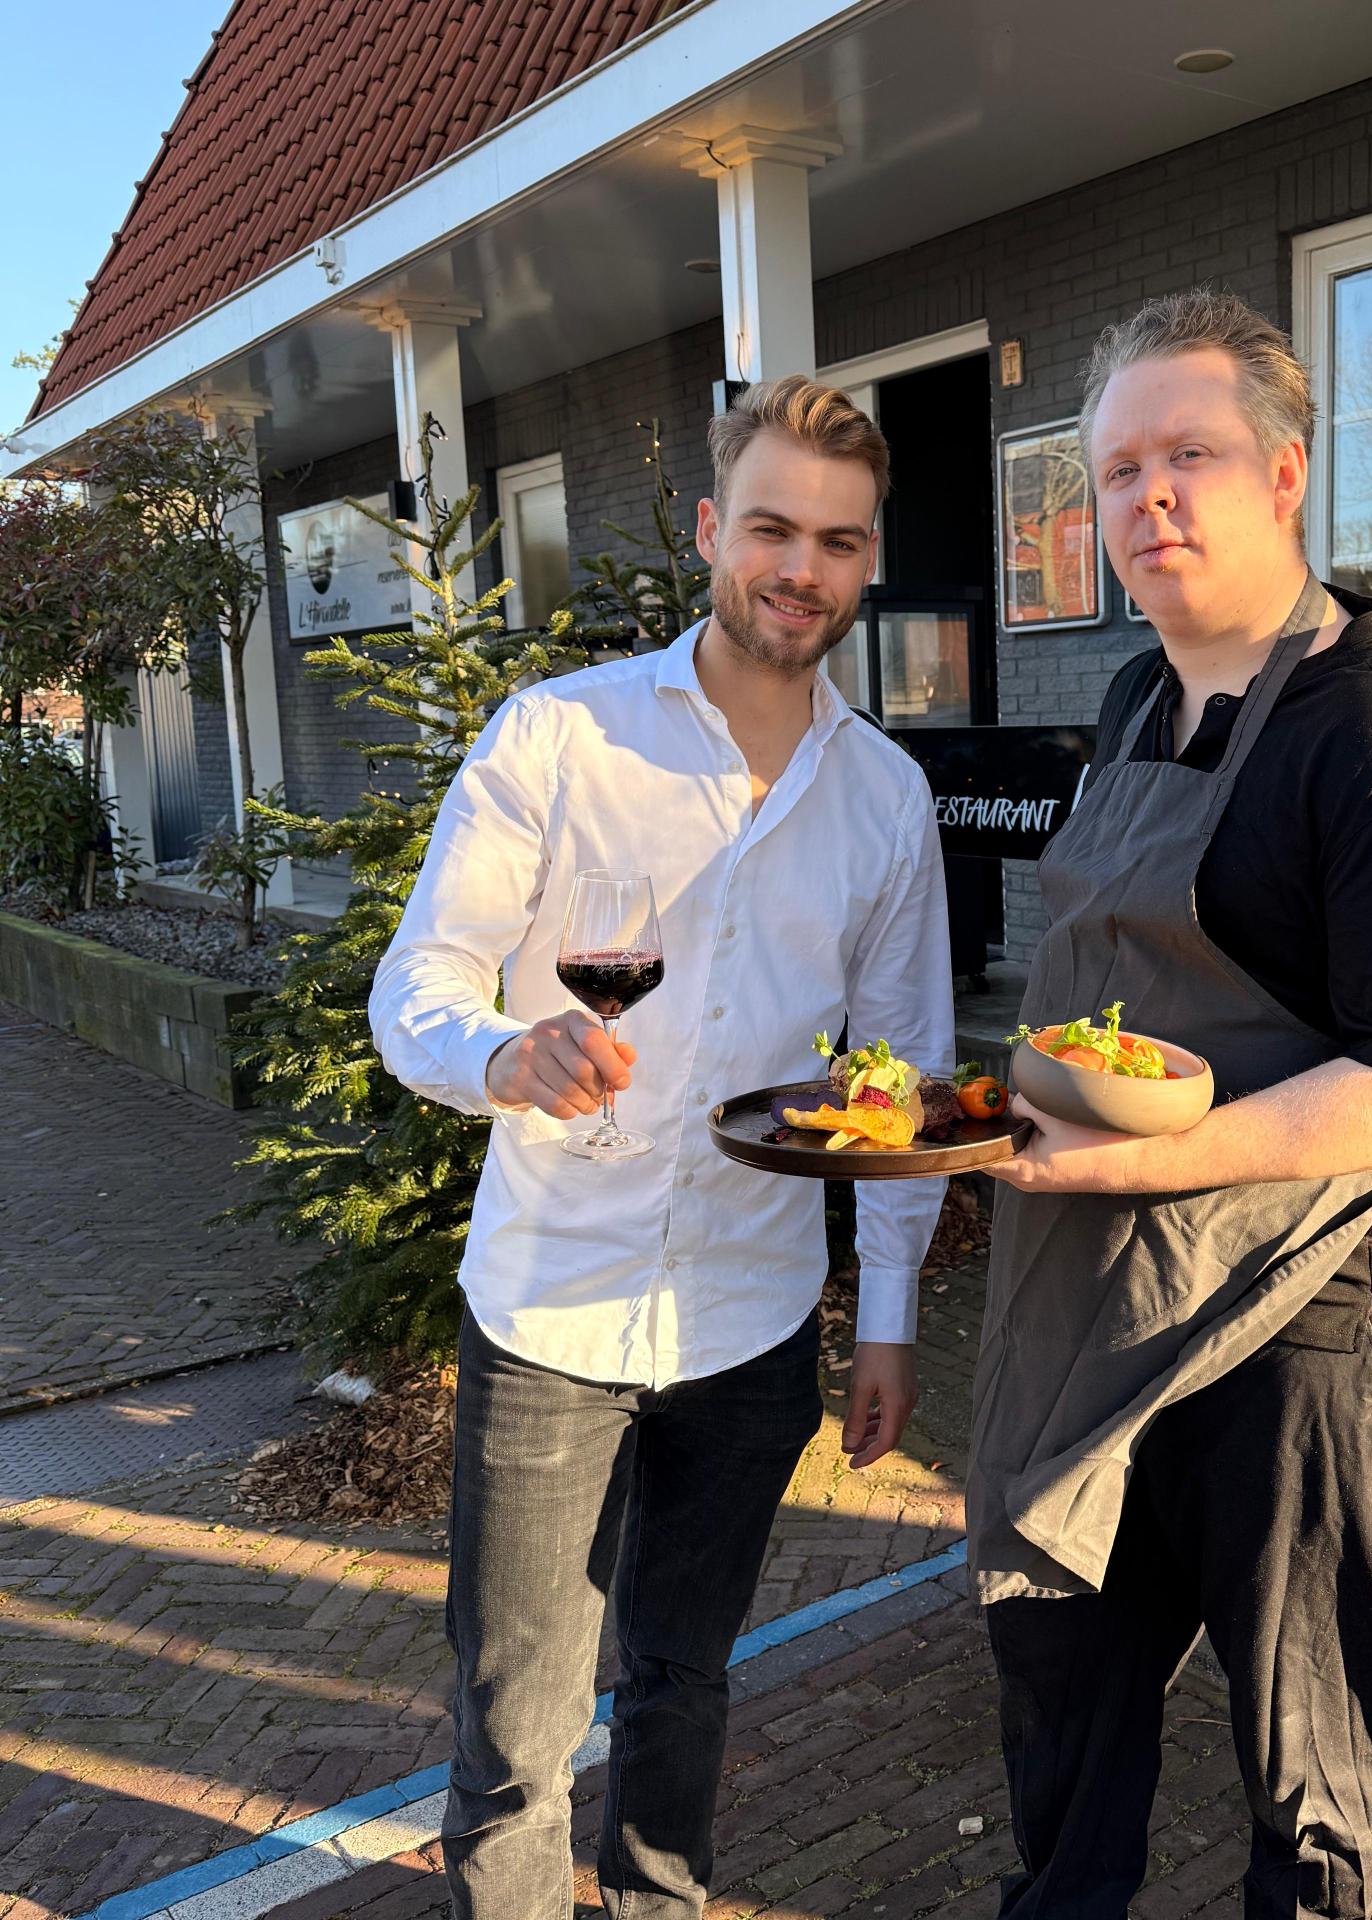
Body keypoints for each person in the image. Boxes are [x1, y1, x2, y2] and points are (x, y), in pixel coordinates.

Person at [369, 376, 952, 1920]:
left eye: (835, 540)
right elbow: (415, 980)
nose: (798, 568)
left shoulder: (887, 800)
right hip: (553, 1306)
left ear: (868, 558)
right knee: (514, 1724)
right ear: (713, 529)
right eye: (769, 527)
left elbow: (903, 1084)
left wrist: (882, 1318)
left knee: (684, 1688)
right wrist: (507, 1051)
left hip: (752, 1325)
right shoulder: (561, 739)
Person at [971, 289, 1372, 1919]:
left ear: (1286, 476)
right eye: (1119, 465)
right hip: (1118, 1292)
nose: (1147, 499)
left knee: (1311, 1756)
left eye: (1188, 455)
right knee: (1063, 1678)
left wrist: (1162, 1161)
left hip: (1317, 1320)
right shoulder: (1142, 699)